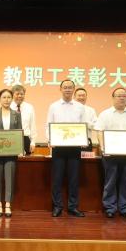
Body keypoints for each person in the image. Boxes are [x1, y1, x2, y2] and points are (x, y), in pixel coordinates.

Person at [95, 88, 126, 219]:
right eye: (119, 96)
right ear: (113, 98)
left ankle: (125, 208)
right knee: (110, 181)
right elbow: (99, 132)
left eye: (124, 96)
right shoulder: (105, 114)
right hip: (110, 154)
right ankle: (110, 208)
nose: (122, 98)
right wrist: (103, 147)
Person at [47, 79, 86, 217]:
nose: (68, 89)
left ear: (74, 90)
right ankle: (57, 206)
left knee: (74, 179)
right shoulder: (53, 106)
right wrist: (50, 139)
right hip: (58, 147)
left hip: (75, 147)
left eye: (70, 87)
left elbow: (84, 125)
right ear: (60, 89)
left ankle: (73, 207)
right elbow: (48, 124)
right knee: (57, 179)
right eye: (65, 87)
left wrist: (83, 138)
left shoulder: (80, 107)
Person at [0, 89, 22, 218]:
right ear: (0, 99)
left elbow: (19, 132)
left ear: (12, 99)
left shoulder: (16, 114)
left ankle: (8, 204)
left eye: (9, 97)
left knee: (10, 177)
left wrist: (20, 149)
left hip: (11, 152)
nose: (6, 99)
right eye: (4, 97)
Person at [10, 84, 35, 154]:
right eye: (17, 94)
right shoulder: (8, 107)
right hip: (11, 139)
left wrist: (33, 142)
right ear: (12, 95)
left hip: (25, 139)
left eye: (22, 94)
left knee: (26, 161)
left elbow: (32, 125)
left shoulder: (29, 107)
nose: (20, 96)